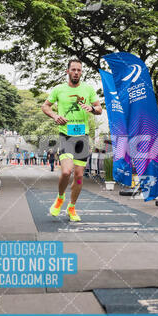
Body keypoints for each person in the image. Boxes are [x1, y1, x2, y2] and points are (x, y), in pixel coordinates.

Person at [42, 59, 102, 222]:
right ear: (67, 71)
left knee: (79, 176)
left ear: (81, 72)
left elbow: (99, 108)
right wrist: (55, 116)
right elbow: (45, 106)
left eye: (79, 70)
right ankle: (60, 198)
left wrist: (92, 109)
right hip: (65, 136)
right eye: (73, 69)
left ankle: (72, 207)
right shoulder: (59, 89)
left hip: (82, 137)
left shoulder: (88, 89)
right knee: (66, 172)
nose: (76, 72)